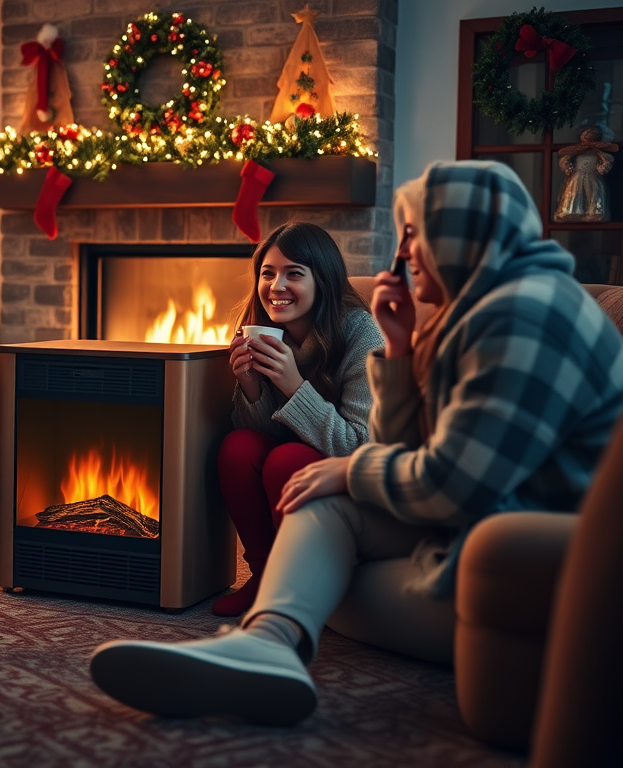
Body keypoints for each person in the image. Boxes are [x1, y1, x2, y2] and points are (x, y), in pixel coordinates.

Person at [88, 160, 623, 726]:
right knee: (315, 512)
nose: (404, 256)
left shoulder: (528, 318)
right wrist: (396, 353)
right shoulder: (472, 315)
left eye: (417, 236)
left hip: (519, 530)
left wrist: (346, 468)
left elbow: (449, 481)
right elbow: (392, 447)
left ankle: (276, 625)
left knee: (315, 498)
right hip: (467, 514)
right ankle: (267, 639)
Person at [213, 222, 382, 616]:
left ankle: (297, 588)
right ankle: (264, 575)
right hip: (295, 461)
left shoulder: (363, 336)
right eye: (268, 273)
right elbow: (264, 433)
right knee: (237, 447)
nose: (276, 286)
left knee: (287, 459)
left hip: (357, 475)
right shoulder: (267, 331)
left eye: (294, 274)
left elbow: (359, 446)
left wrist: (293, 386)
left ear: (322, 279)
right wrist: (252, 388)